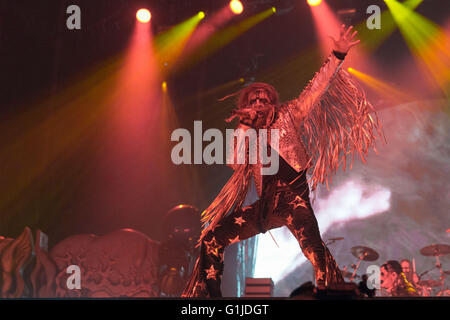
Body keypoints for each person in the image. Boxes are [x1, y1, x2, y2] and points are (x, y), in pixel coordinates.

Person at [182, 25, 384, 298]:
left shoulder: (289, 114)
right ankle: (212, 297)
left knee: (315, 251)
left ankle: (328, 293)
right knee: (211, 239)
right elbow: (235, 162)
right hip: (265, 208)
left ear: (274, 102)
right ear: (247, 104)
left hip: (294, 200)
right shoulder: (247, 132)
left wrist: (337, 54)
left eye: (265, 98)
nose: (260, 101)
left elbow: (317, 88)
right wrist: (244, 124)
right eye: (254, 99)